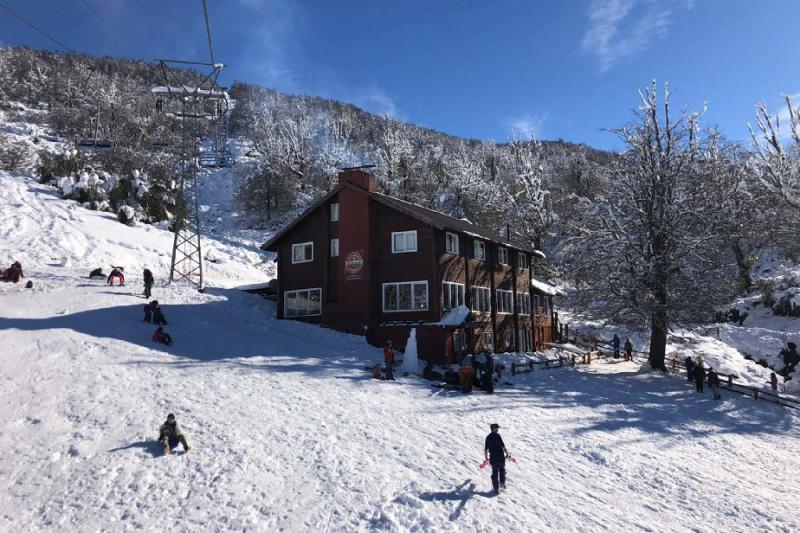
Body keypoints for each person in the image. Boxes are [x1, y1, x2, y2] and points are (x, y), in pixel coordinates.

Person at [484, 423, 508, 495]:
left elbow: (486, 449)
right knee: (502, 470)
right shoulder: (498, 436)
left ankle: (496, 488)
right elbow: (502, 446)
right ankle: (502, 483)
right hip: (500, 457)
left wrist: (486, 457)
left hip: (493, 458)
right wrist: (506, 453)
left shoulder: (488, 437)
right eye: (497, 428)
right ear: (494, 428)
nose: (498, 429)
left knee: (494, 472)